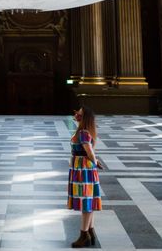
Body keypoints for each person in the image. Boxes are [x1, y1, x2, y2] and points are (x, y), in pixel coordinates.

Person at [68, 106, 103, 248]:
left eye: (80, 114)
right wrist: (95, 161)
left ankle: (84, 235)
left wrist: (94, 161)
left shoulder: (83, 133)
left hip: (83, 169)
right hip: (82, 167)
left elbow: (89, 152)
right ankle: (90, 231)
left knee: (86, 201)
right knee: (88, 200)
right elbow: (89, 152)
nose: (76, 114)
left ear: (84, 117)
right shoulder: (83, 131)